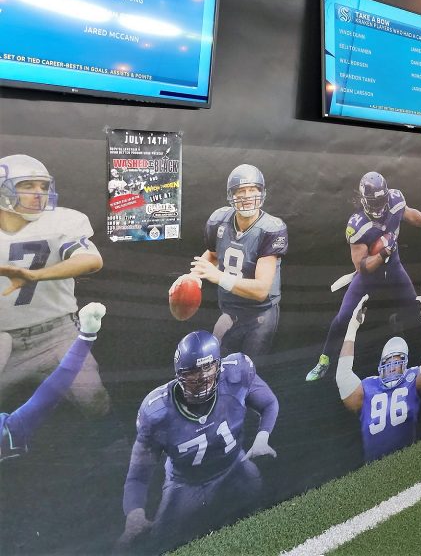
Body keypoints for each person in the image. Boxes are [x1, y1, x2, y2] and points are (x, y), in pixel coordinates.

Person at [119, 330, 279, 552]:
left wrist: (263, 437)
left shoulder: (236, 373)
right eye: (192, 371)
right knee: (159, 544)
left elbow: (269, 403)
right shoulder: (158, 411)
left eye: (207, 367)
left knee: (263, 516)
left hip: (234, 469)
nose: (202, 377)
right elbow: (138, 474)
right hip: (185, 484)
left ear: (218, 365)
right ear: (179, 375)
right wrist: (135, 512)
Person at [306, 171, 421, 382]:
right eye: (375, 201)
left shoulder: (395, 199)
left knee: (413, 307)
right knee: (343, 317)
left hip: (395, 266)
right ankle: (324, 359)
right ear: (364, 200)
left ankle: (419, 354)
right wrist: (382, 253)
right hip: (370, 275)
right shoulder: (357, 225)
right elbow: (362, 267)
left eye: (382, 200)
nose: (380, 206)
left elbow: (409, 213)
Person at [0, 154, 108, 416]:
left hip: (56, 334)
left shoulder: (61, 221)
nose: (39, 193)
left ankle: (109, 447)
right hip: (3, 338)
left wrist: (36, 275)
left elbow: (91, 259)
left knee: (94, 400)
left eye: (44, 186)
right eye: (27, 185)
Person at [189, 164, 288, 361]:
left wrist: (219, 276)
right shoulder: (219, 221)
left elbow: (261, 290)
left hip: (259, 316)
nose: (247, 196)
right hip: (230, 311)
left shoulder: (270, 229)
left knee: (249, 371)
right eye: (241, 191)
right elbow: (213, 254)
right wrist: (192, 278)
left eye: (253, 190)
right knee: (215, 364)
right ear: (231, 195)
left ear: (262, 193)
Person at [335, 291, 421, 463]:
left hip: (407, 459)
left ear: (404, 364)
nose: (391, 366)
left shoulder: (411, 379)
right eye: (388, 361)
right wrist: (352, 326)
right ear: (381, 364)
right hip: (373, 464)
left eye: (396, 361)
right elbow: (342, 375)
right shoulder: (368, 386)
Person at [0, 302, 105, 462]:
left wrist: (86, 336)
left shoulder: (9, 432)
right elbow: (49, 392)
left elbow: (48, 393)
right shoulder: (10, 433)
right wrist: (86, 336)